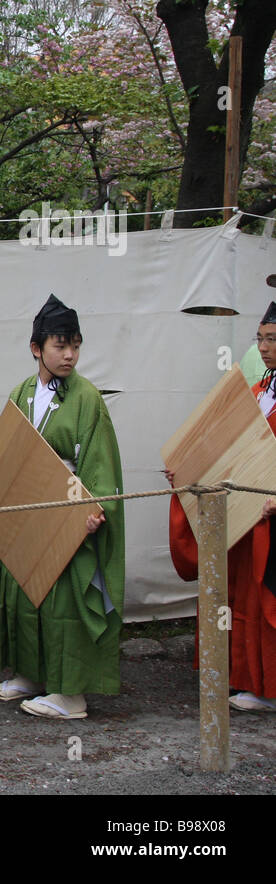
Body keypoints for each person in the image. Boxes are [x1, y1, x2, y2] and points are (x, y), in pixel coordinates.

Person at [0, 294, 124, 720]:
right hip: (26, 508)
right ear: (37, 348)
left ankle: (71, 693)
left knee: (63, 600)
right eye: (59, 345)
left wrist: (96, 507)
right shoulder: (21, 391)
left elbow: (100, 460)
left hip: (68, 509)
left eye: (75, 345)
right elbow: (6, 454)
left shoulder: (87, 398)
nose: (69, 354)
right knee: (23, 593)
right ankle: (32, 673)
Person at [166, 301, 276, 712]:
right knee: (232, 593)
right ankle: (236, 676)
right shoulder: (257, 392)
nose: (264, 348)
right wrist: (189, 470)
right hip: (242, 511)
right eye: (260, 339)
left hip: (269, 516)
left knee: (260, 597)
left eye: (272, 340)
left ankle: (268, 686)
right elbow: (224, 445)